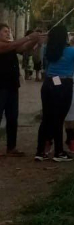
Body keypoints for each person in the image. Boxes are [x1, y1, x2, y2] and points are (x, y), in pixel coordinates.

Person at [35, 24, 74, 162]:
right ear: (65, 37)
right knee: (58, 119)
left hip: (48, 84)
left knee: (46, 119)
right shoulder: (71, 52)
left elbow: (62, 48)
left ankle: (40, 152)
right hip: (63, 85)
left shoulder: (48, 49)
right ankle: (59, 152)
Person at [0, 23, 42, 156]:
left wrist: (35, 39)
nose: (8, 33)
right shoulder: (4, 45)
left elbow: (23, 48)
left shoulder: (11, 45)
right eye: (5, 31)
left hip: (12, 87)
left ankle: (11, 148)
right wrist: (29, 37)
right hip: (0, 88)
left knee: (13, 118)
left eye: (9, 31)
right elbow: (11, 45)